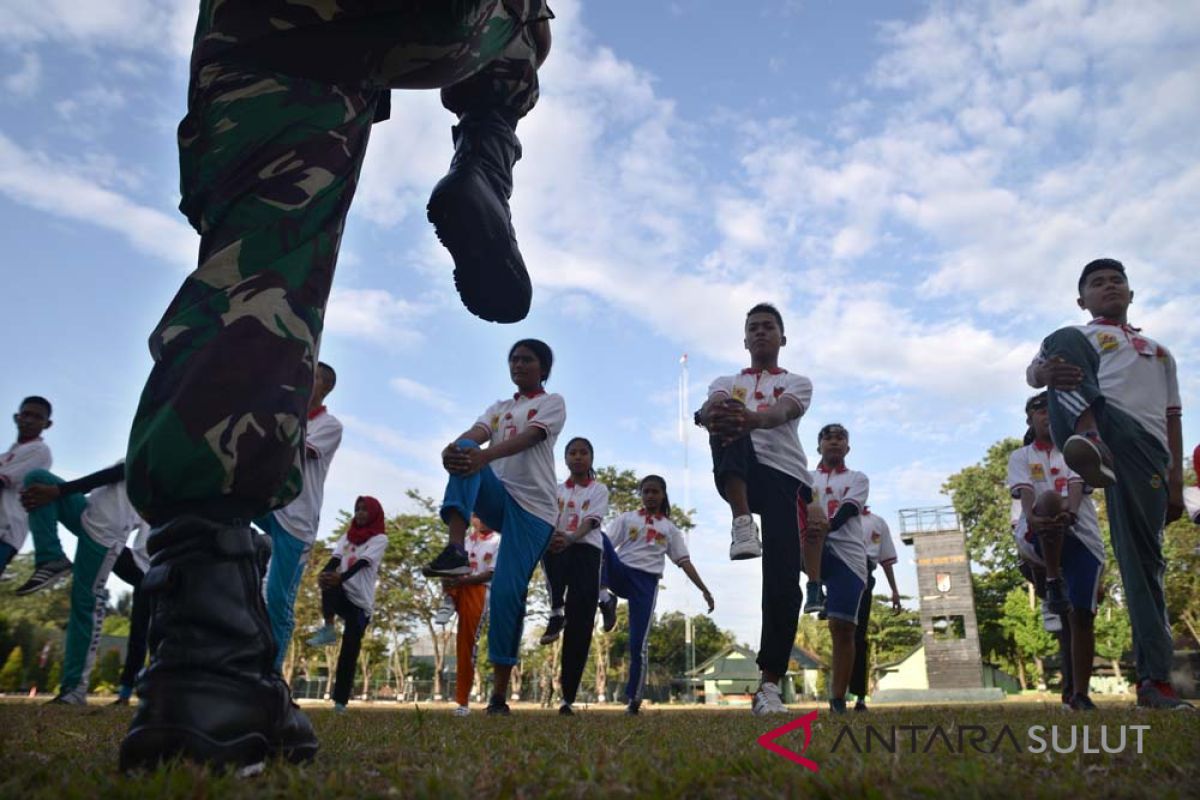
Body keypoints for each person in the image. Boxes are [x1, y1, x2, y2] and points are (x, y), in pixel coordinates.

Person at [120, 1, 555, 771]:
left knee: (255, 279)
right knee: (530, 16)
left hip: (256, 39)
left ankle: (207, 659)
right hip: (408, 26)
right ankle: (488, 147)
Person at [1027, 258, 1191, 710]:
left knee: (1145, 562)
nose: (1109, 286)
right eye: (1097, 283)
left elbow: (1173, 417)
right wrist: (1043, 375)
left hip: (1146, 451)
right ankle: (1090, 440)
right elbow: (1033, 374)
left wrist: (1176, 480)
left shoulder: (1159, 352)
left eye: (1117, 280)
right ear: (1083, 299)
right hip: (1095, 426)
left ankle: (1155, 682)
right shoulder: (1080, 336)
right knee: (1059, 339)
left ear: (1131, 293)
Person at [695, 303, 827, 717]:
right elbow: (708, 408)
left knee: (784, 582)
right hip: (742, 474)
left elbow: (782, 413)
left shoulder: (797, 382)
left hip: (784, 479)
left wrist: (753, 418)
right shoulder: (726, 381)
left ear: (782, 337)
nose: (760, 333)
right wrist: (707, 414)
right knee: (726, 413)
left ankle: (768, 686)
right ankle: (741, 520)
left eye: (769, 327)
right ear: (745, 339)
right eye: (753, 328)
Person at [422, 339, 565, 716]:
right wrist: (451, 450)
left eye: (527, 360)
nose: (518, 365)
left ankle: (499, 695)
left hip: (535, 512)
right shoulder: (499, 407)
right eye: (514, 359)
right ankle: (456, 548)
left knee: (505, 594)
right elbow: (475, 434)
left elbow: (532, 436)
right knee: (466, 447)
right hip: (500, 497)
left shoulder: (551, 403)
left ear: (543, 368)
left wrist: (483, 455)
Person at [18, 463, 150, 705]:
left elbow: (119, 472)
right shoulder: (144, 441)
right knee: (37, 479)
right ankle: (50, 557)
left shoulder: (161, 455)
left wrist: (60, 491)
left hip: (105, 533)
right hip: (87, 509)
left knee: (84, 604)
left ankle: (74, 689)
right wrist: (57, 492)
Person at [1007, 392, 1106, 711]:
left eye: (1053, 409)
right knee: (1047, 499)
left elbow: (1078, 486)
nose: (1046, 414)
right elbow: (1026, 497)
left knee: (1082, 615)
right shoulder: (1021, 457)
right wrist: (1036, 515)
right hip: (1041, 531)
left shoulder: (1075, 449)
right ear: (1029, 418)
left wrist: (1072, 512)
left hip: (1080, 534)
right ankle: (1050, 579)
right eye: (1039, 409)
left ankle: (1080, 693)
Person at [596, 475, 713, 715]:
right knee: (598, 537)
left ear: (662, 495)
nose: (650, 496)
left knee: (638, 643)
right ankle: (605, 597)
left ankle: (634, 698)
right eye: (646, 491)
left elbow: (684, 561)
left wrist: (703, 589)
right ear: (641, 494)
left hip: (646, 583)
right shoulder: (627, 518)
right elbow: (604, 545)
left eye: (654, 492)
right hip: (622, 572)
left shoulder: (669, 528)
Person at [255, 362, 342, 672]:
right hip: (269, 504)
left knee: (277, 600)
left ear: (326, 387)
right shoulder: (286, 415)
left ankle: (272, 673)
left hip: (297, 520)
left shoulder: (329, 425)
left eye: (315, 376)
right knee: (225, 509)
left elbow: (296, 449)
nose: (306, 378)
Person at [540, 437, 608, 714]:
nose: (577, 457)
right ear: (565, 458)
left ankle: (567, 697)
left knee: (580, 623)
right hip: (558, 548)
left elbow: (592, 521)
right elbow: (545, 518)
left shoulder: (598, 489)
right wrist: (557, 538)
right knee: (547, 548)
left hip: (586, 552)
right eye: (572, 453)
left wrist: (570, 538)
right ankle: (556, 610)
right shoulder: (554, 490)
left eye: (583, 453)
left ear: (591, 458)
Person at [305, 496, 388, 713]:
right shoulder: (347, 537)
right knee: (327, 580)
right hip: (342, 594)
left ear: (374, 514)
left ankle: (340, 702)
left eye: (364, 510)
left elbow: (362, 563)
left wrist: (340, 577)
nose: (360, 513)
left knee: (349, 651)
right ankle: (329, 628)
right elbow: (334, 561)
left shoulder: (379, 539)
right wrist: (324, 574)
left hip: (360, 604)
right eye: (357, 509)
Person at [809, 424, 869, 714]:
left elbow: (848, 508)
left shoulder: (858, 478)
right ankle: (814, 587)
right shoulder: (804, 478)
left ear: (848, 447)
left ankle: (837, 698)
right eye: (827, 438)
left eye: (840, 438)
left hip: (848, 555)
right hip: (812, 548)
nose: (834, 442)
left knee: (842, 628)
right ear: (818, 445)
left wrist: (828, 525)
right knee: (789, 533)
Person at [437, 516, 500, 716]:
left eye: (486, 513)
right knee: (447, 559)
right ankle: (448, 600)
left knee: (466, 644)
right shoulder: (464, 540)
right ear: (472, 518)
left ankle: (462, 702)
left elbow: (491, 573)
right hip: (459, 588)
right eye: (477, 514)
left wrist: (463, 582)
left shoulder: (498, 540)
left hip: (479, 592)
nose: (481, 519)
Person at [848, 506, 901, 712]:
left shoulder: (876, 522)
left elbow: (886, 559)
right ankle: (838, 693)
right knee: (841, 632)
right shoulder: (837, 518)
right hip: (840, 570)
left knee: (858, 636)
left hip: (865, 573)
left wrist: (894, 590)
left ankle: (859, 696)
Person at [0, 397, 54, 582]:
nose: (29, 420)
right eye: (26, 414)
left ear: (47, 424)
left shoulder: (39, 450)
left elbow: (3, 481)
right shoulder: (6, 455)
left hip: (5, 531)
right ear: (17, 417)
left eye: (37, 417)